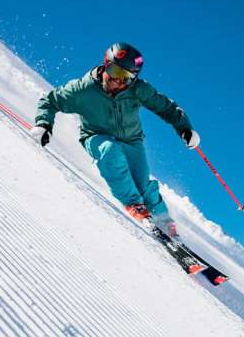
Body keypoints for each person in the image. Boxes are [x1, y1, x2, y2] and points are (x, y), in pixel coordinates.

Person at [29, 42, 200, 238]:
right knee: (110, 151)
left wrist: (185, 128)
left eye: (127, 77)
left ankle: (163, 222)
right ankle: (134, 205)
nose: (119, 81)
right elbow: (50, 100)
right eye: (115, 71)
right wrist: (44, 124)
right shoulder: (83, 89)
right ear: (105, 65)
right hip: (96, 136)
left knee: (144, 185)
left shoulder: (137, 89)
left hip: (131, 140)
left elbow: (167, 107)